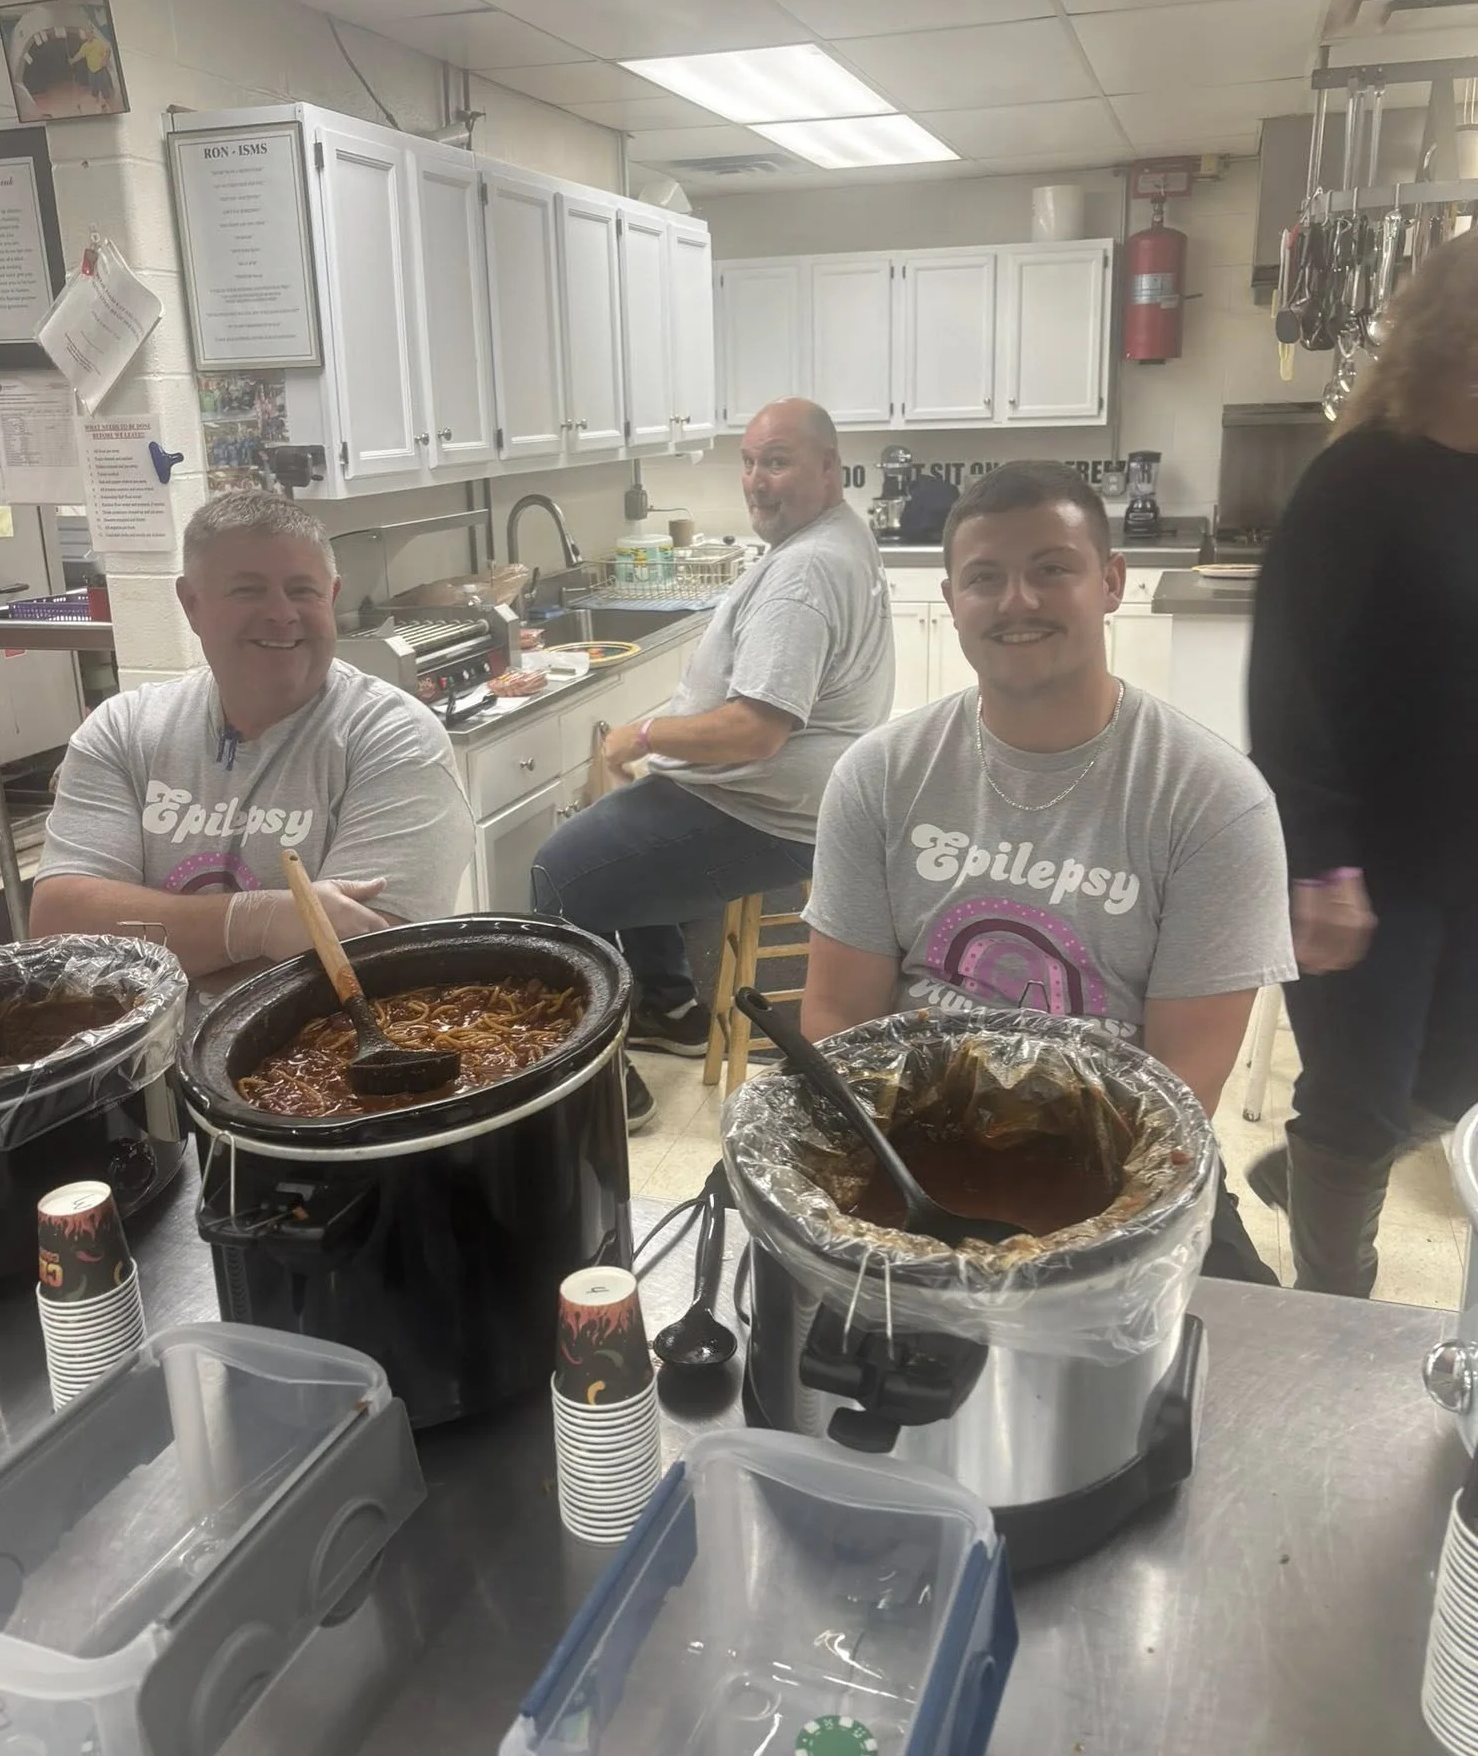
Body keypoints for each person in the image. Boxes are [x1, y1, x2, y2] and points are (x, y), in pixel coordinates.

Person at [803, 459, 1296, 1284]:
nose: (1017, 602)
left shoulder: (1214, 802)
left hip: (1120, 1170)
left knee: (1236, 1362)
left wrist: (1034, 1257)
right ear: (951, 600)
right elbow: (838, 1023)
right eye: (985, 578)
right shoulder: (879, 775)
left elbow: (1177, 1103)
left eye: (1051, 570)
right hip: (906, 1154)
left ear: (1111, 582)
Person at [532, 396, 894, 1130]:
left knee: (559, 875)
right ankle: (669, 1007)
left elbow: (756, 730)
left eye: (779, 462)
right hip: (776, 804)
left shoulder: (806, 575)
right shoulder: (835, 539)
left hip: (757, 810)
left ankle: (600, 1083)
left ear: (828, 468)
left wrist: (643, 734)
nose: (758, 480)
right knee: (618, 828)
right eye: (751, 462)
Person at [1247, 229, 1478, 1296]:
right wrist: (1322, 863)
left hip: (1469, 857)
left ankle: (1314, 1177)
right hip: (1370, 865)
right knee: (1361, 1099)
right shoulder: (1364, 477)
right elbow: (1290, 689)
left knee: (1448, 1085)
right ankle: (1335, 1301)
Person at [32, 491, 473, 985]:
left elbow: (358, 959)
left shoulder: (393, 738)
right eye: (248, 590)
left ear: (332, 595)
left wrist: (148, 932)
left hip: (311, 1056)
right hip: (136, 1054)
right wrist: (256, 923)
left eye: (303, 590)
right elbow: (59, 926)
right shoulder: (123, 730)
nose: (282, 613)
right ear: (191, 604)